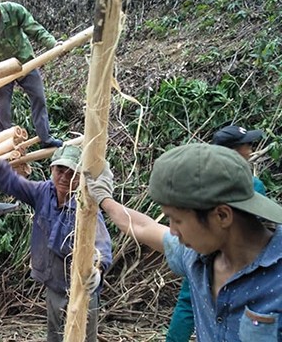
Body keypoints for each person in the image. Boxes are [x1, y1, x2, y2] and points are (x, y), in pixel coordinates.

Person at [87, 143, 282, 342]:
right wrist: (104, 197)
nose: (172, 230)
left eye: (177, 220)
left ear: (222, 216)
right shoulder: (197, 256)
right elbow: (143, 227)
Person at [0, 122, 112, 342]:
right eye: (60, 170)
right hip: (54, 285)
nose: (64, 177)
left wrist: (97, 270)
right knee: (55, 336)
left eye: (71, 172)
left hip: (82, 290)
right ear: (52, 169)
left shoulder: (86, 206)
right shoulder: (43, 192)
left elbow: (101, 245)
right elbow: (11, 181)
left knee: (82, 338)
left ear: (79, 176)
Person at [166, 125, 267, 342]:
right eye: (245, 146)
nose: (250, 150)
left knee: (190, 301)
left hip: (206, 252)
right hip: (220, 256)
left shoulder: (202, 183)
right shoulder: (252, 186)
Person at [0, 0, 63, 148]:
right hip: (1, 69)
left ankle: (45, 138)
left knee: (39, 98)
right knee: (3, 108)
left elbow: (35, 29)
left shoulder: (14, 10)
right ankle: (1, 145)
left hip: (25, 63)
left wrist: (53, 43)